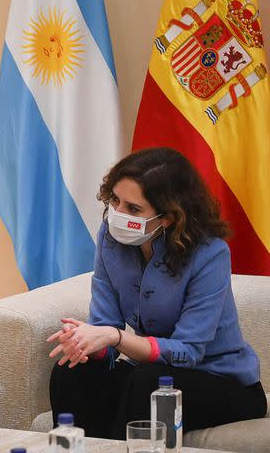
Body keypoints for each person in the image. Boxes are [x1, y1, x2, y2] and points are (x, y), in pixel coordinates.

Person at [47, 147, 267, 439]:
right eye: (115, 200)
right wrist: (87, 342)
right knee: (73, 371)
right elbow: (106, 328)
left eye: (134, 209)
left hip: (221, 382)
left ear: (168, 217)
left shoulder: (210, 254)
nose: (118, 214)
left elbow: (187, 352)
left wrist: (116, 337)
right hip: (149, 375)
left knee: (150, 383)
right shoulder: (110, 239)